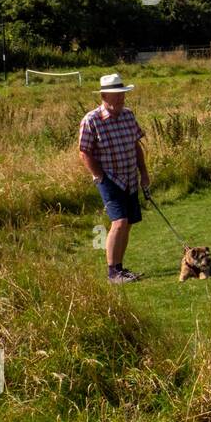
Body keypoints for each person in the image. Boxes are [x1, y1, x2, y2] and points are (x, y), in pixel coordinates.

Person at [78, 72, 150, 284]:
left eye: (122, 94)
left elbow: (136, 145)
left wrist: (143, 172)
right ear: (104, 96)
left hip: (130, 178)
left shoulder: (128, 115)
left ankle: (119, 268)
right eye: (116, 95)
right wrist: (99, 176)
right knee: (119, 222)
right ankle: (112, 273)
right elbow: (84, 152)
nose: (121, 98)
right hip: (109, 179)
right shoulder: (91, 120)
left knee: (127, 224)